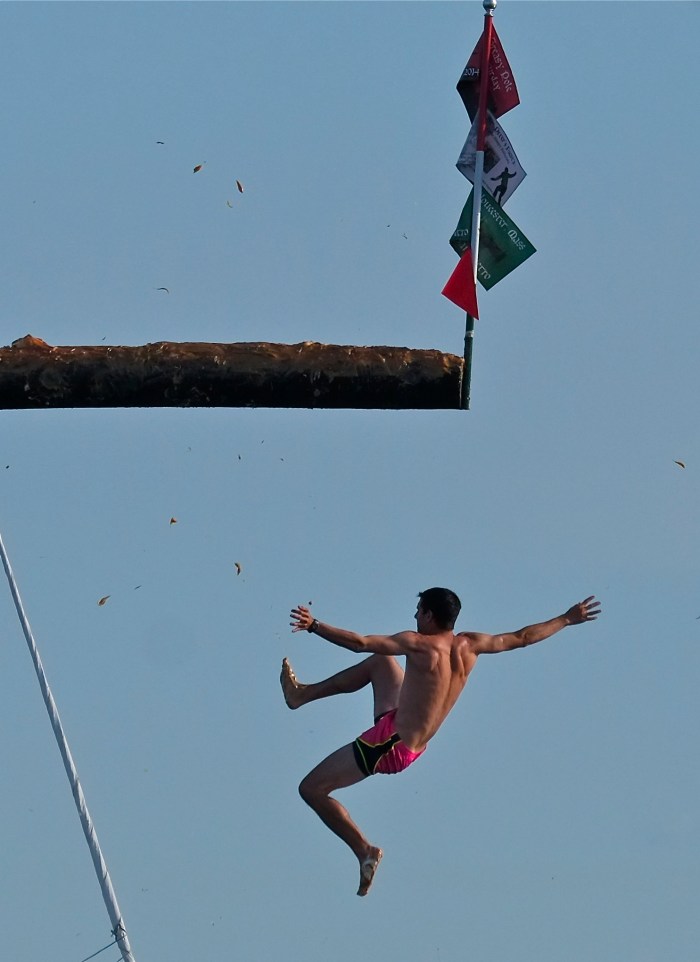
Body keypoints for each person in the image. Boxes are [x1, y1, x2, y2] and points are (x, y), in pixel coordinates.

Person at [281, 589, 601, 896]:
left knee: (311, 789)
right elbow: (523, 637)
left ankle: (363, 849)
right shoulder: (471, 645)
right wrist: (567, 619)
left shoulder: (418, 645)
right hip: (407, 739)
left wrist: (315, 626)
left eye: (419, 611)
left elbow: (360, 642)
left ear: (430, 616)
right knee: (381, 662)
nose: (415, 616)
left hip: (388, 746)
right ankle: (302, 694)